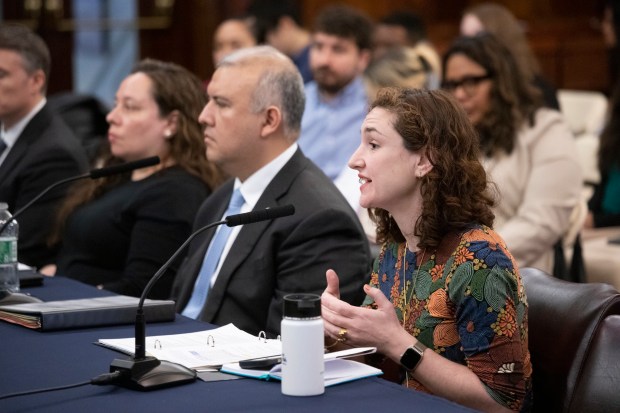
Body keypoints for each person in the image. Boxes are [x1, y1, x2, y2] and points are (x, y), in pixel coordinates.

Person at [321, 87, 531, 412]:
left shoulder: (480, 260)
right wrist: (336, 330)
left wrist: (397, 342)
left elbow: (503, 404)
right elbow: (371, 350)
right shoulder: (396, 250)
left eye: (373, 144)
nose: (353, 160)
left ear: (424, 160)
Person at [171, 46, 371, 337]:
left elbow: (288, 346)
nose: (203, 116)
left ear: (269, 120)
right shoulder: (220, 199)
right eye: (208, 101)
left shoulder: (320, 219)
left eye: (221, 103)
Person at [41, 59, 222, 299]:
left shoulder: (176, 191)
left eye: (130, 107)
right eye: (115, 105)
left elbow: (144, 290)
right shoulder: (118, 173)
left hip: (102, 322)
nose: (112, 117)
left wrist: (66, 293)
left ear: (171, 123)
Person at [442, 33, 582, 273]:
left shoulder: (545, 129)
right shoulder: (450, 139)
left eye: (471, 82)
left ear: (501, 82)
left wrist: (467, 259)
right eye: (452, 85)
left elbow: (541, 224)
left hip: (523, 276)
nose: (460, 94)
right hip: (453, 273)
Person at [0, 23, 89, 269]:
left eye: (1, 74)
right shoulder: (8, 133)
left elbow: (22, 248)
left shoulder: (54, 154)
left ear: (36, 80)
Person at [297, 4, 373, 210]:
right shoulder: (293, 103)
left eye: (338, 49)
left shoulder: (377, 108)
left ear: (363, 59)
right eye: (319, 47)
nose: (324, 60)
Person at [460, 2, 560, 110]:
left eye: (476, 39)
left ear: (500, 40)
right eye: (463, 39)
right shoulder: (461, 90)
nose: (467, 49)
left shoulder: (539, 92)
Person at [247, 0, 313, 83]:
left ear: (285, 25)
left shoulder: (315, 63)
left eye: (266, 39)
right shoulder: (293, 60)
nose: (267, 47)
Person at [371, 10, 441, 88]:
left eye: (389, 46)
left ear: (414, 45)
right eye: (375, 45)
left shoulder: (422, 59)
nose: (379, 53)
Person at [585, 80, 620, 228]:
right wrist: (585, 211)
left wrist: (598, 221)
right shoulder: (613, 137)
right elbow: (603, 185)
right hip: (604, 222)